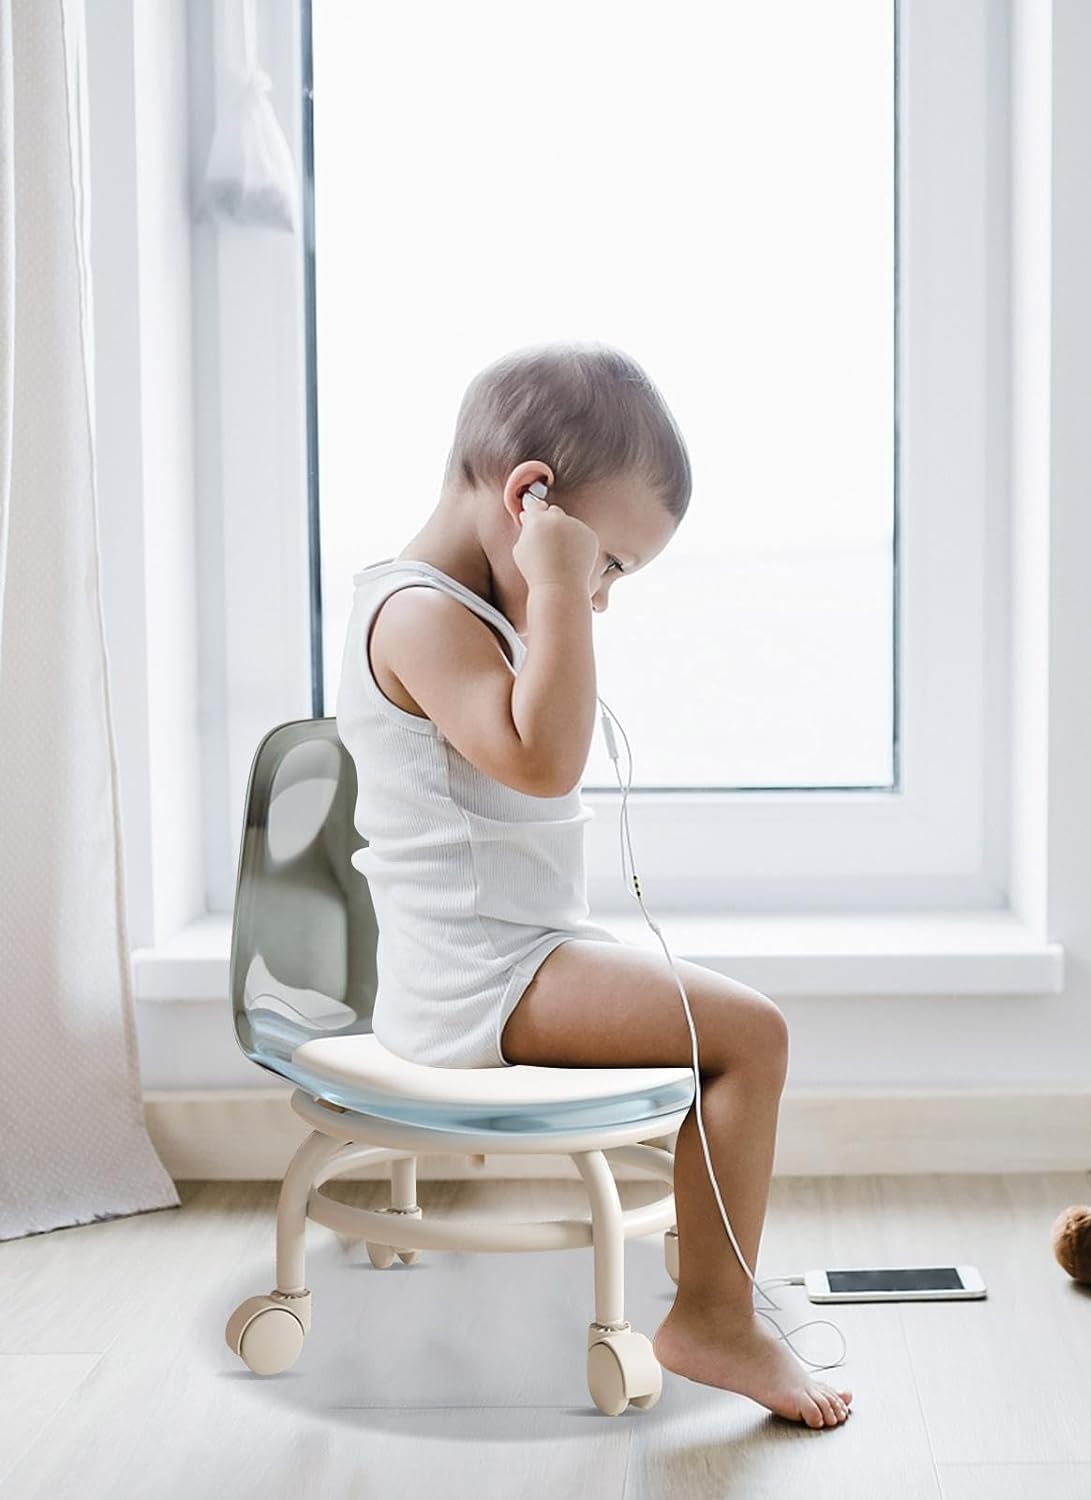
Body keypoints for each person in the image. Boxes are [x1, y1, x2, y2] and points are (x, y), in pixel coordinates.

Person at [334, 340, 853, 1429]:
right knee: (752, 1035)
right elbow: (542, 758)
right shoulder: (417, 614)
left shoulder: (464, 611)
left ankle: (716, 1298)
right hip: (483, 982)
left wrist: (556, 589)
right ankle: (713, 1314)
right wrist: (561, 583)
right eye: (610, 563)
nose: (604, 598)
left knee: (727, 1022)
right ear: (532, 500)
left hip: (508, 959)